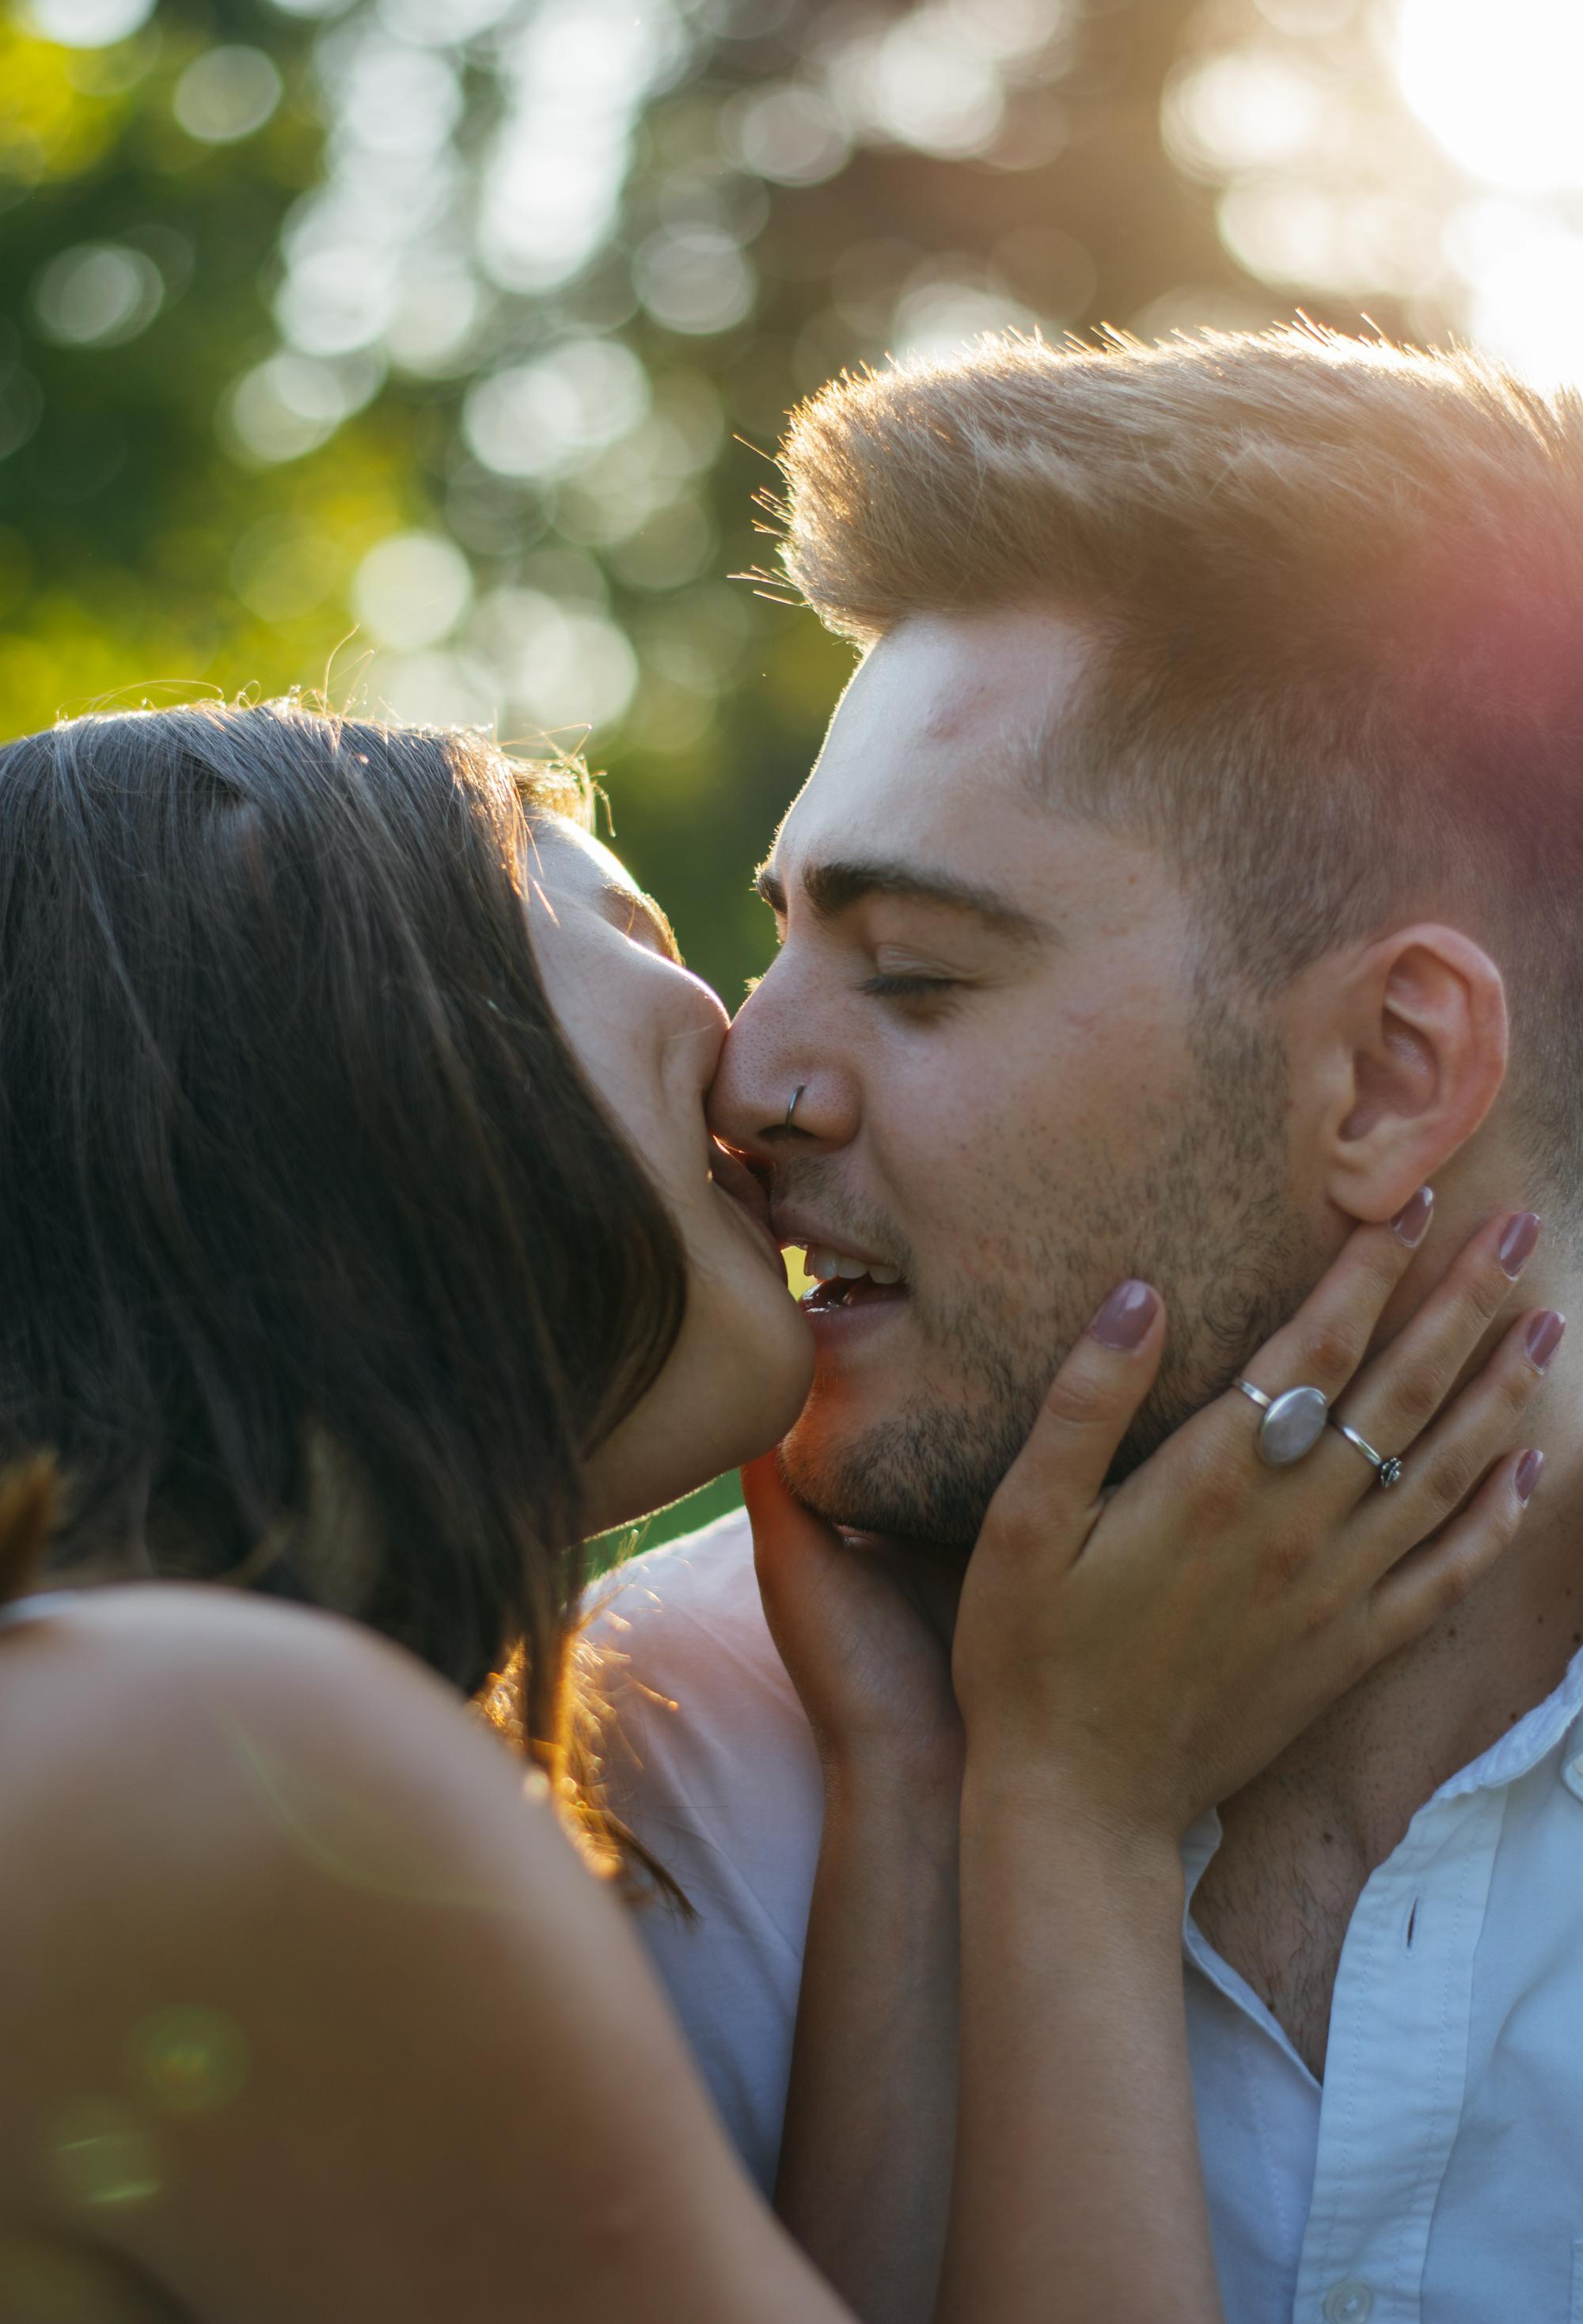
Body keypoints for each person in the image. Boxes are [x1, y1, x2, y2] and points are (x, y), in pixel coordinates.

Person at [0, 699, 1538, 2322]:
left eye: (916, 977)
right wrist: (1079, 1817)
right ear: (308, 1011)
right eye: (630, 928)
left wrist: (912, 1784)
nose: (754, 1080)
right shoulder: (223, 1766)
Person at [592, 326, 1583, 2324]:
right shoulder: (647, 1764)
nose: (746, 1080)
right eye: (780, 936)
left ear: (1392, 1068)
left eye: (919, 973)